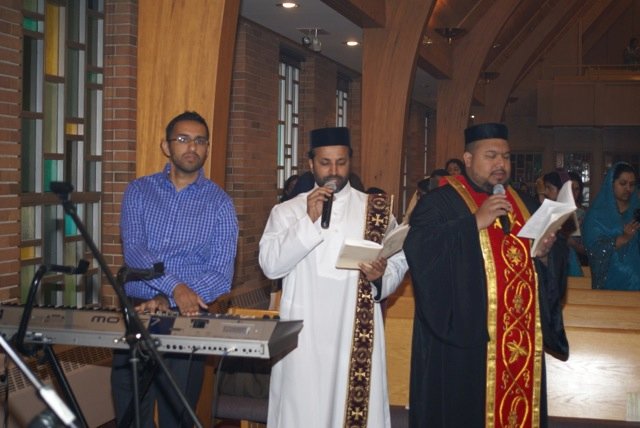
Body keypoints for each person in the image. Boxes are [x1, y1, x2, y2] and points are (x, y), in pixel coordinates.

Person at [404, 122, 569, 428]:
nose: (500, 164)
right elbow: (420, 250)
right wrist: (472, 223)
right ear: (467, 159)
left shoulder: (524, 203)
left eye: (505, 156)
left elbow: (546, 265)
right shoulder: (439, 202)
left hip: (517, 338)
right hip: (465, 341)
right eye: (490, 156)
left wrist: (545, 253)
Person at [259, 126, 408, 428]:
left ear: (350, 161)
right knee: (302, 409)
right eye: (325, 163)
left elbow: (398, 260)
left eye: (341, 162)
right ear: (311, 163)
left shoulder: (376, 209)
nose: (334, 171)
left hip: (354, 333)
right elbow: (271, 266)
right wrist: (308, 221)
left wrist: (380, 277)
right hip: (303, 336)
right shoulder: (286, 212)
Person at [112, 111, 239, 427]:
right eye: (183, 139)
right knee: (130, 414)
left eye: (200, 141)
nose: (191, 147)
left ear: (207, 148)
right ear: (166, 146)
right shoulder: (139, 191)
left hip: (187, 319)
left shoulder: (220, 203)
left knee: (177, 416)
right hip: (137, 314)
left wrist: (170, 300)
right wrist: (174, 287)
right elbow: (135, 252)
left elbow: (220, 274)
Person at [583, 162, 640, 290]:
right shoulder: (596, 215)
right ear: (611, 183)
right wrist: (622, 239)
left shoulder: (636, 211)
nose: (628, 188)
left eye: (632, 184)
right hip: (609, 282)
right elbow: (592, 249)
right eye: (623, 183)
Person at [543, 169, 583, 276]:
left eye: (549, 188)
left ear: (561, 190)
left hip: (565, 262)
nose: (545, 192)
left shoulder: (567, 213)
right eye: (545, 188)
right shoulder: (546, 210)